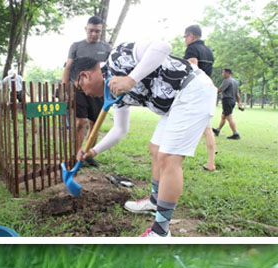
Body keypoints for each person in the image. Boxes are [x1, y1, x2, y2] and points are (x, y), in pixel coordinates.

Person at [69, 41, 216, 239]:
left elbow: (163, 46)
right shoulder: (114, 93)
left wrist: (130, 79)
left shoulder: (118, 57)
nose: (85, 93)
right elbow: (120, 130)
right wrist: (93, 151)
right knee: (155, 148)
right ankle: (155, 201)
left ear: (85, 75)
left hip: (193, 89)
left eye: (81, 87)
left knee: (169, 157)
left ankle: (161, 232)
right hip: (174, 104)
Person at [62, 16, 111, 167]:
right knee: (80, 122)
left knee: (94, 123)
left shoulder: (107, 48)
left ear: (101, 31)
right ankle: (77, 154)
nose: (94, 34)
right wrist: (65, 89)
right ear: (86, 29)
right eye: (91, 30)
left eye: (97, 31)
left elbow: (110, 70)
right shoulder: (76, 46)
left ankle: (87, 154)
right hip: (78, 88)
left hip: (98, 90)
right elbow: (68, 67)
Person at [180, 25, 219, 171]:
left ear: (191, 36)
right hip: (208, 89)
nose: (185, 40)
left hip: (196, 91)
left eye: (185, 37)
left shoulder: (192, 49)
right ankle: (211, 162)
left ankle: (175, 158)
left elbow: (192, 69)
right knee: (206, 127)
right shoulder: (208, 51)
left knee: (182, 122)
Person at [213, 68, 244, 140]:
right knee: (223, 116)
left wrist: (210, 92)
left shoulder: (227, 81)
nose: (222, 74)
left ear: (227, 73)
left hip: (227, 100)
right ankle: (218, 130)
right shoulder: (235, 82)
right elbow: (237, 94)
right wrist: (239, 103)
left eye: (223, 73)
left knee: (229, 117)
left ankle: (235, 133)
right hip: (232, 100)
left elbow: (219, 90)